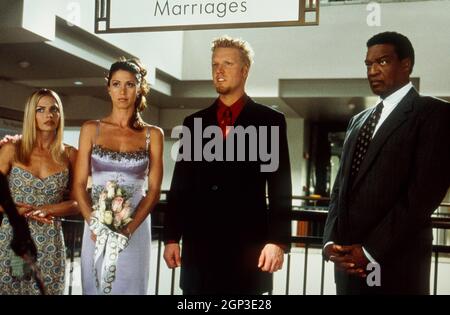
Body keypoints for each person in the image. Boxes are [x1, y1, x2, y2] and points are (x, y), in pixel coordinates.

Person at [323, 31, 450, 294]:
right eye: (368, 64)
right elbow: (340, 189)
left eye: (382, 62)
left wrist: (369, 251)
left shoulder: (433, 114)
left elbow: (421, 196)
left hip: (396, 265)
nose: (372, 71)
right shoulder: (358, 120)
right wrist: (329, 242)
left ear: (406, 65)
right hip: (347, 266)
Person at [163, 36, 292, 295]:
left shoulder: (270, 121)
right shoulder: (193, 123)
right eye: (214, 64)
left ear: (245, 70)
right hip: (199, 251)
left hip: (248, 251)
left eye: (227, 64)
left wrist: (277, 241)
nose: (218, 71)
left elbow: (280, 187)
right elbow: (180, 187)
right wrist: (170, 237)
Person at [73, 57, 163, 295]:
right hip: (96, 227)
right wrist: (92, 222)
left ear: (139, 88)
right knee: (96, 286)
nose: (122, 91)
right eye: (116, 84)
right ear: (108, 88)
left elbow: (153, 191)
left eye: (130, 84)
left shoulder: (153, 134)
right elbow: (80, 184)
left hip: (134, 229)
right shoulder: (91, 129)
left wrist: (127, 230)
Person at [0, 88, 79, 294]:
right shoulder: (11, 149)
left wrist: (48, 209)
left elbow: (77, 203)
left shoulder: (70, 154)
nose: (49, 115)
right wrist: (17, 211)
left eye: (54, 109)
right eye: (41, 109)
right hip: (15, 237)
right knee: (13, 289)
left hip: (50, 240)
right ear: (30, 115)